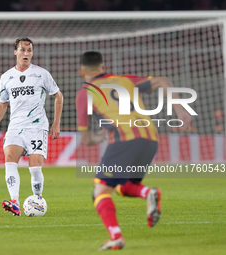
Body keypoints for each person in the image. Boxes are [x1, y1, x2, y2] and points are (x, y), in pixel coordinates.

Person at [75, 51, 192, 250]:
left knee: (100, 192)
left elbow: (87, 140)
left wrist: (98, 137)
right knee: (123, 185)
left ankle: (116, 236)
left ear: (81, 72)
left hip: (124, 140)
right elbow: (162, 80)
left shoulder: (84, 93)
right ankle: (148, 192)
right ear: (103, 68)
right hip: (151, 139)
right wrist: (180, 109)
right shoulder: (124, 80)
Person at [0, 38, 63, 216]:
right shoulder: (6, 77)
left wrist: (56, 123)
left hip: (37, 127)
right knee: (9, 159)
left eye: (29, 50)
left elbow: (58, 97)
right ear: (15, 52)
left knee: (34, 168)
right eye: (22, 50)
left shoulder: (41, 74)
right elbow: (3, 105)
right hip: (15, 127)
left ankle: (37, 199)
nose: (26, 53)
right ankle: (15, 202)